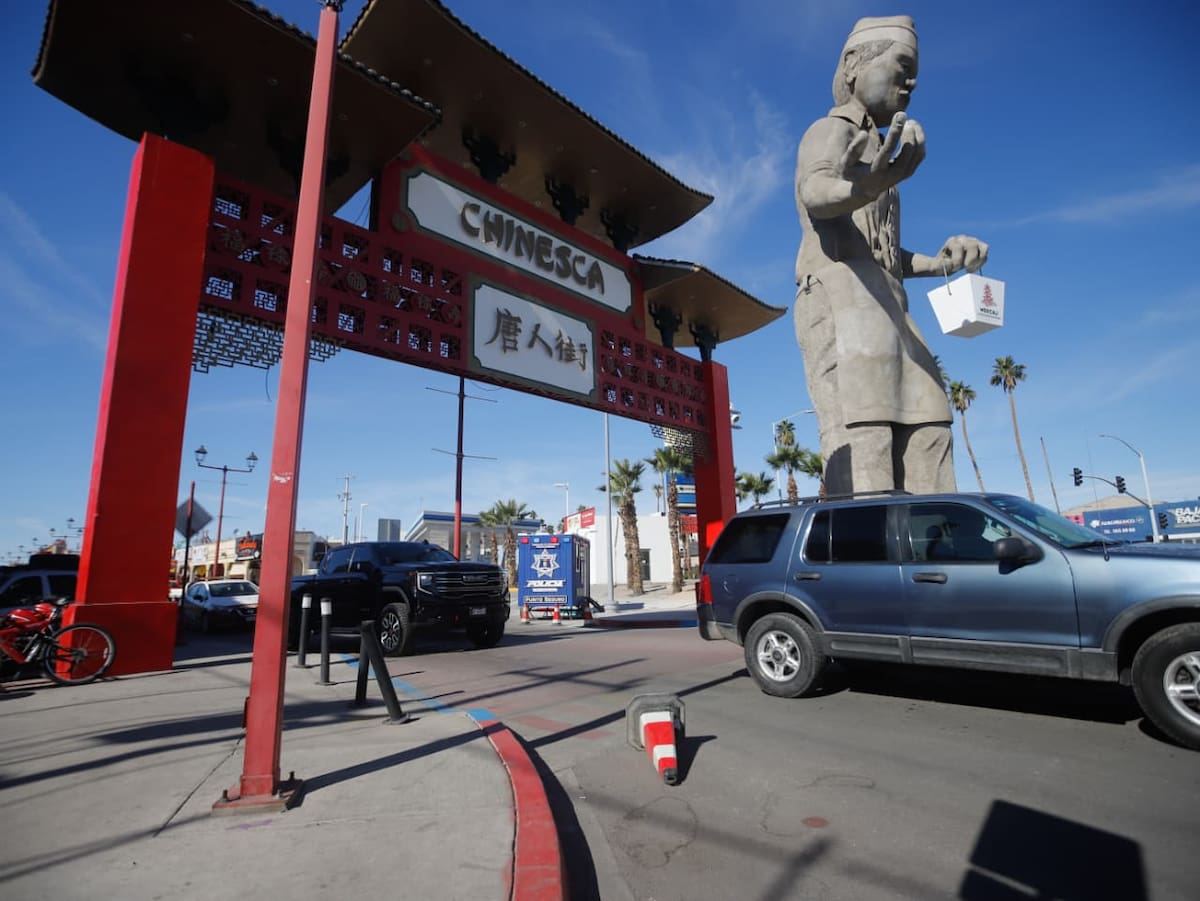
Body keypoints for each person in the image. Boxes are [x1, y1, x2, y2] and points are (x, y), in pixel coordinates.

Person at [793, 15, 988, 496]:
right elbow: (816, 192)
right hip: (841, 298)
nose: (912, 81)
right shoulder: (830, 130)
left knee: (931, 423)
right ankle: (867, 563)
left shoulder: (881, 153)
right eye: (902, 65)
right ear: (855, 65)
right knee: (866, 438)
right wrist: (864, 184)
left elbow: (885, 253)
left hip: (891, 308)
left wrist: (942, 261)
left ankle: (936, 557)